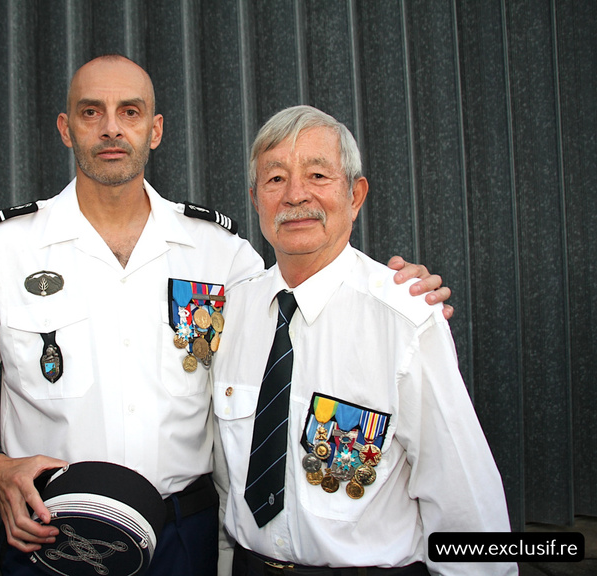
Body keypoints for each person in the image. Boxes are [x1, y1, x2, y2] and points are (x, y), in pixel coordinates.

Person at [0, 56, 451, 576]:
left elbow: (305, 290)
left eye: (130, 111)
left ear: (154, 131)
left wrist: (400, 296)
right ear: (67, 130)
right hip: (49, 530)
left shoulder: (218, 253)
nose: (112, 127)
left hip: (184, 536)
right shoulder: (7, 250)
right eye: (92, 112)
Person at [212, 105, 515, 575]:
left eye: (317, 174)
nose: (295, 195)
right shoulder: (233, 315)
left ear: (355, 195)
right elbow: (227, 478)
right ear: (256, 199)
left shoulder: (405, 319)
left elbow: (460, 493)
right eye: (275, 179)